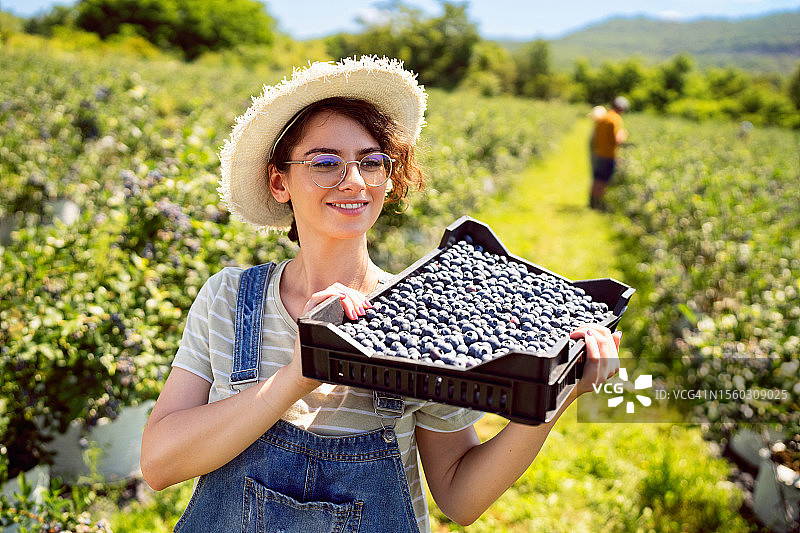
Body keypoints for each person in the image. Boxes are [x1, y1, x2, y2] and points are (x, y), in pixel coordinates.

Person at [140, 56, 623, 532]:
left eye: (370, 162)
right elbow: (159, 464)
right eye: (325, 161)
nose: (352, 180)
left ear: (389, 178)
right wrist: (299, 374)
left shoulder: (431, 314)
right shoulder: (230, 300)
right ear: (279, 180)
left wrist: (553, 399)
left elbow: (459, 496)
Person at [589, 96, 629, 210]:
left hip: (599, 153)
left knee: (597, 179)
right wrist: (623, 134)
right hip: (608, 155)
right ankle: (599, 205)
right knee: (604, 181)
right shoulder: (615, 119)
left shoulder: (602, 118)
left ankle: (592, 203)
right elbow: (617, 140)